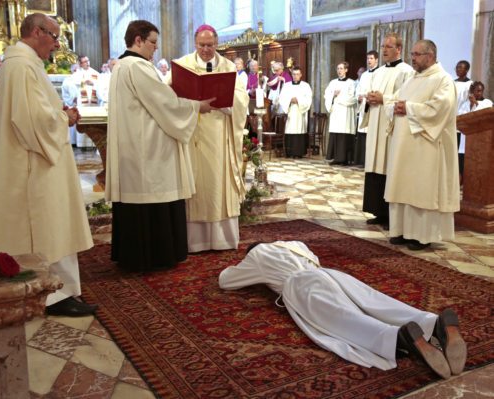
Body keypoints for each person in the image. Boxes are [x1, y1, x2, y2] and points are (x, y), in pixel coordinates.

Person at [219, 241, 467, 377]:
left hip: (300, 285)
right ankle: (431, 322)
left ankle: (397, 338)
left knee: (344, 319)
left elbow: (226, 280)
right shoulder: (295, 244)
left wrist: (247, 264)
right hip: (328, 274)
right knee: (373, 301)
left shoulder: (258, 255)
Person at [0, 13, 95, 317]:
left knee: (55, 224)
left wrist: (57, 111)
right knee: (48, 227)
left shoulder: (23, 64)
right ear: (37, 32)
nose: (57, 45)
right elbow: (30, 121)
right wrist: (65, 117)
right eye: (54, 36)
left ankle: (62, 290)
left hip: (36, 161)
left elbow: (34, 109)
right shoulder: (22, 66)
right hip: (34, 166)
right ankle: (52, 294)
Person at [106, 20, 215, 272]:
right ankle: (155, 256)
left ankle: (134, 255)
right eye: (153, 42)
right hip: (148, 149)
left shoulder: (121, 66)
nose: (155, 48)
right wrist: (197, 106)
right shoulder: (137, 66)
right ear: (138, 40)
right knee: (152, 195)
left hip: (134, 146)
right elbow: (164, 102)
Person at [172, 24, 249, 252]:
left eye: (211, 45)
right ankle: (193, 241)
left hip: (218, 134)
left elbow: (241, 98)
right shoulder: (182, 65)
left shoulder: (227, 66)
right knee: (195, 184)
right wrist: (194, 106)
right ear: (195, 43)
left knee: (217, 184)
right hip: (191, 134)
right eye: (202, 45)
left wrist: (226, 104)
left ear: (217, 44)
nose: (206, 49)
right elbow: (167, 96)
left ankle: (220, 239)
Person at [385, 39, 460, 251]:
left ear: (430, 56)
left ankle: (422, 235)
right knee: (403, 186)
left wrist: (408, 108)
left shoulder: (442, 80)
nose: (413, 58)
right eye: (412, 54)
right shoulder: (412, 78)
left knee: (421, 188)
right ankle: (400, 231)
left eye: (417, 54)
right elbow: (395, 101)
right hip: (403, 146)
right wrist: (395, 107)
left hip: (426, 146)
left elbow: (440, 109)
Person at [361, 33, 413, 228]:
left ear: (398, 49)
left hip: (391, 126)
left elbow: (404, 97)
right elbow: (373, 93)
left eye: (388, 47)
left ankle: (391, 214)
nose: (384, 50)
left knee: (388, 166)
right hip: (376, 122)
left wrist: (384, 99)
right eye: (383, 46)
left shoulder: (406, 71)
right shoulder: (379, 71)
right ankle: (378, 211)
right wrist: (369, 99)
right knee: (375, 165)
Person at [457, 81, 493, 179]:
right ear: (472, 92)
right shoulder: (465, 104)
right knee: (462, 168)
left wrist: (475, 104)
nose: (478, 93)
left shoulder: (487, 102)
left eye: (480, 91)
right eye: (476, 91)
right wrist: (470, 105)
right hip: (465, 142)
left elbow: (485, 116)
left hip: (481, 141)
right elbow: (461, 117)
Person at [324, 61, 357, 165]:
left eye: (341, 68)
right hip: (336, 113)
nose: (339, 70)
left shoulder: (352, 83)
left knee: (344, 135)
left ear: (346, 70)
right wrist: (333, 95)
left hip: (346, 113)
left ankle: (345, 159)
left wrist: (338, 98)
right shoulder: (332, 82)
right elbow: (327, 95)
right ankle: (336, 158)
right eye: (338, 68)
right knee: (336, 135)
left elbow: (353, 98)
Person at [278, 67, 312, 158]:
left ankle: (299, 152)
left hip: (300, 112)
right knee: (290, 129)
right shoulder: (286, 85)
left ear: (300, 75)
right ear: (291, 75)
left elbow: (309, 99)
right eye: (294, 74)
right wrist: (289, 100)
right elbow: (281, 98)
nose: (295, 76)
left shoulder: (306, 86)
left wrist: (298, 100)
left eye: (297, 74)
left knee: (299, 129)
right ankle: (289, 152)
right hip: (290, 112)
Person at [353, 50, 379, 166]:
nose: (369, 60)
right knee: (362, 134)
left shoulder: (380, 73)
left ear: (376, 60)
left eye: (371, 58)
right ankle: (362, 160)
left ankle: (371, 161)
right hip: (363, 106)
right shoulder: (364, 75)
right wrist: (358, 97)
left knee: (372, 133)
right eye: (368, 58)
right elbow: (359, 89)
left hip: (374, 106)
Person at [61, 63, 80, 145]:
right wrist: (75, 99)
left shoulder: (77, 79)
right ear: (74, 70)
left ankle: (76, 142)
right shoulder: (68, 80)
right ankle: (72, 142)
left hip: (76, 104)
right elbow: (71, 94)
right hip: (71, 104)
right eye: (77, 70)